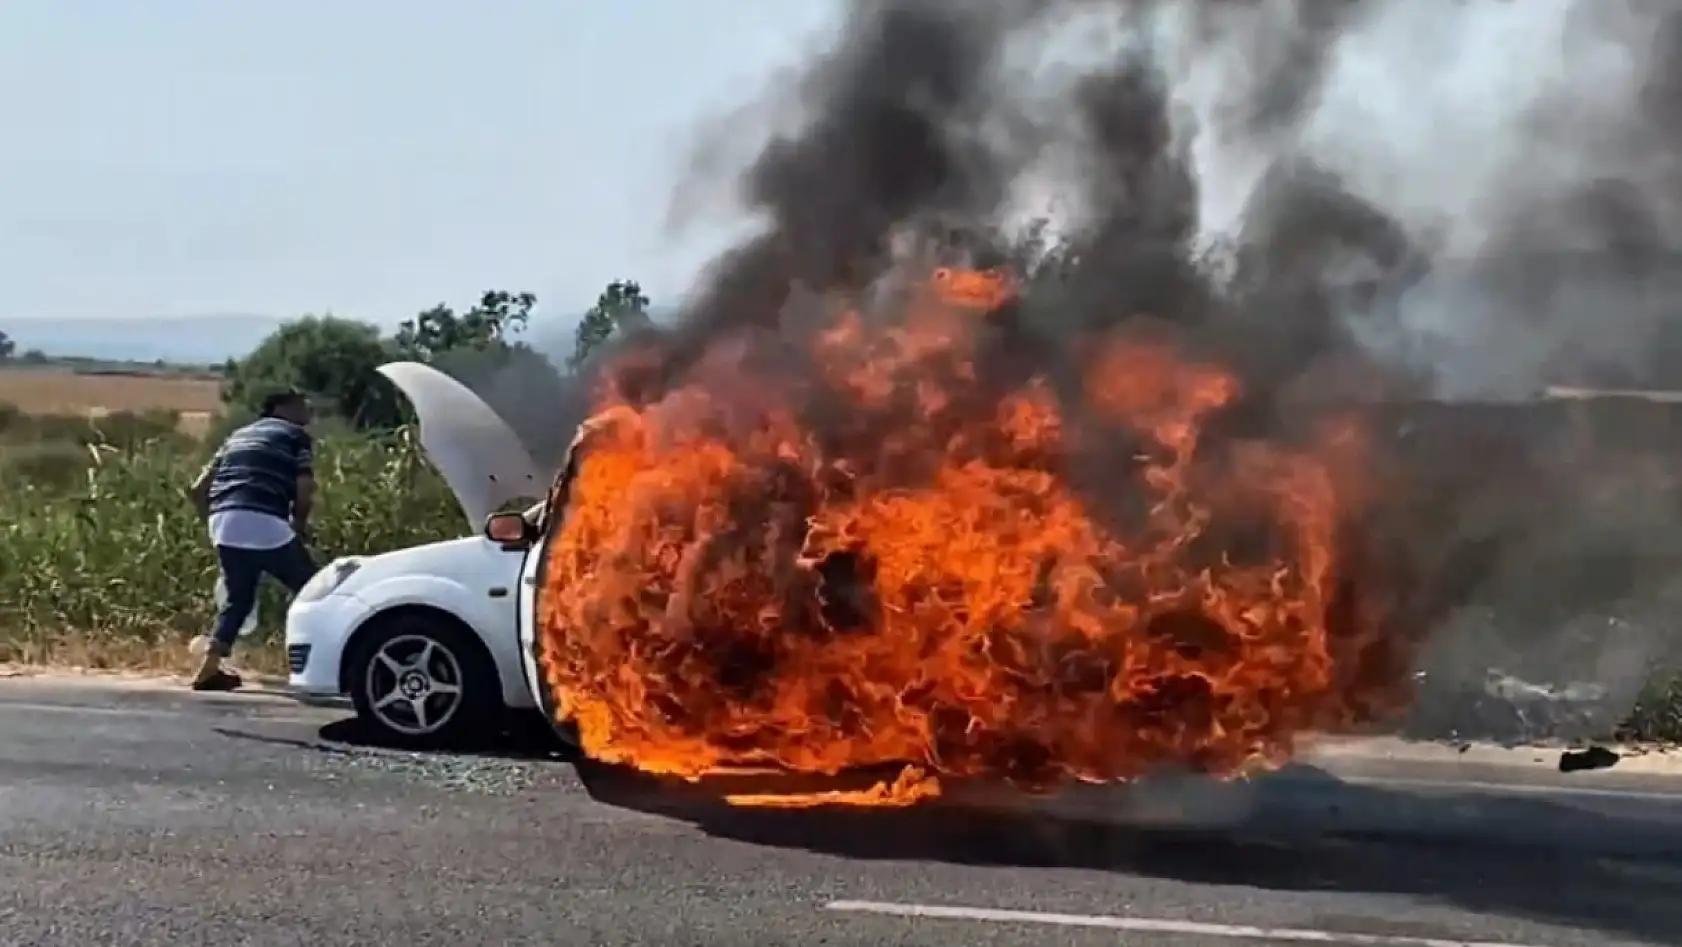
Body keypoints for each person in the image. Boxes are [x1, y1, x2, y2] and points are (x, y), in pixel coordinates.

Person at [185, 389, 320, 691]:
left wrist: (215, 523)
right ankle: (321, 664)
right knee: (314, 589)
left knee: (238, 599)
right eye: (303, 405)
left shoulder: (238, 435)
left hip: (223, 521)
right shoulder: (294, 436)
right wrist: (298, 526)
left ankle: (209, 668)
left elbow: (197, 489)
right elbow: (304, 488)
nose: (309, 410)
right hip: (265, 520)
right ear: (282, 408)